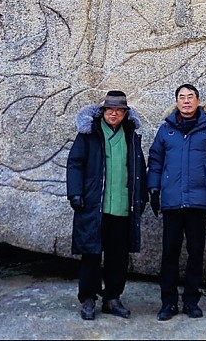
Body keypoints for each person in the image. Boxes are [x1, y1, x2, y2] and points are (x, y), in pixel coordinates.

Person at [148, 83, 206, 320]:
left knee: (196, 252)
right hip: (172, 202)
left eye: (190, 97)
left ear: (198, 101)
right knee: (169, 254)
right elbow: (155, 161)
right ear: (176, 102)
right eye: (181, 97)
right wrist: (153, 190)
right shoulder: (166, 131)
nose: (186, 101)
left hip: (198, 202)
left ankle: (191, 301)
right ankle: (168, 303)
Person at [66, 90, 147, 321]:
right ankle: (88, 299)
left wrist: (141, 199)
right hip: (94, 205)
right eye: (110, 109)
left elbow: (138, 169)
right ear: (102, 111)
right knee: (91, 254)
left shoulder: (131, 135)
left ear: (125, 114)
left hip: (121, 206)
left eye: (119, 110)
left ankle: (112, 298)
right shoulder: (89, 134)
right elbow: (75, 163)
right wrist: (75, 193)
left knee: (118, 256)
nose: (114, 113)